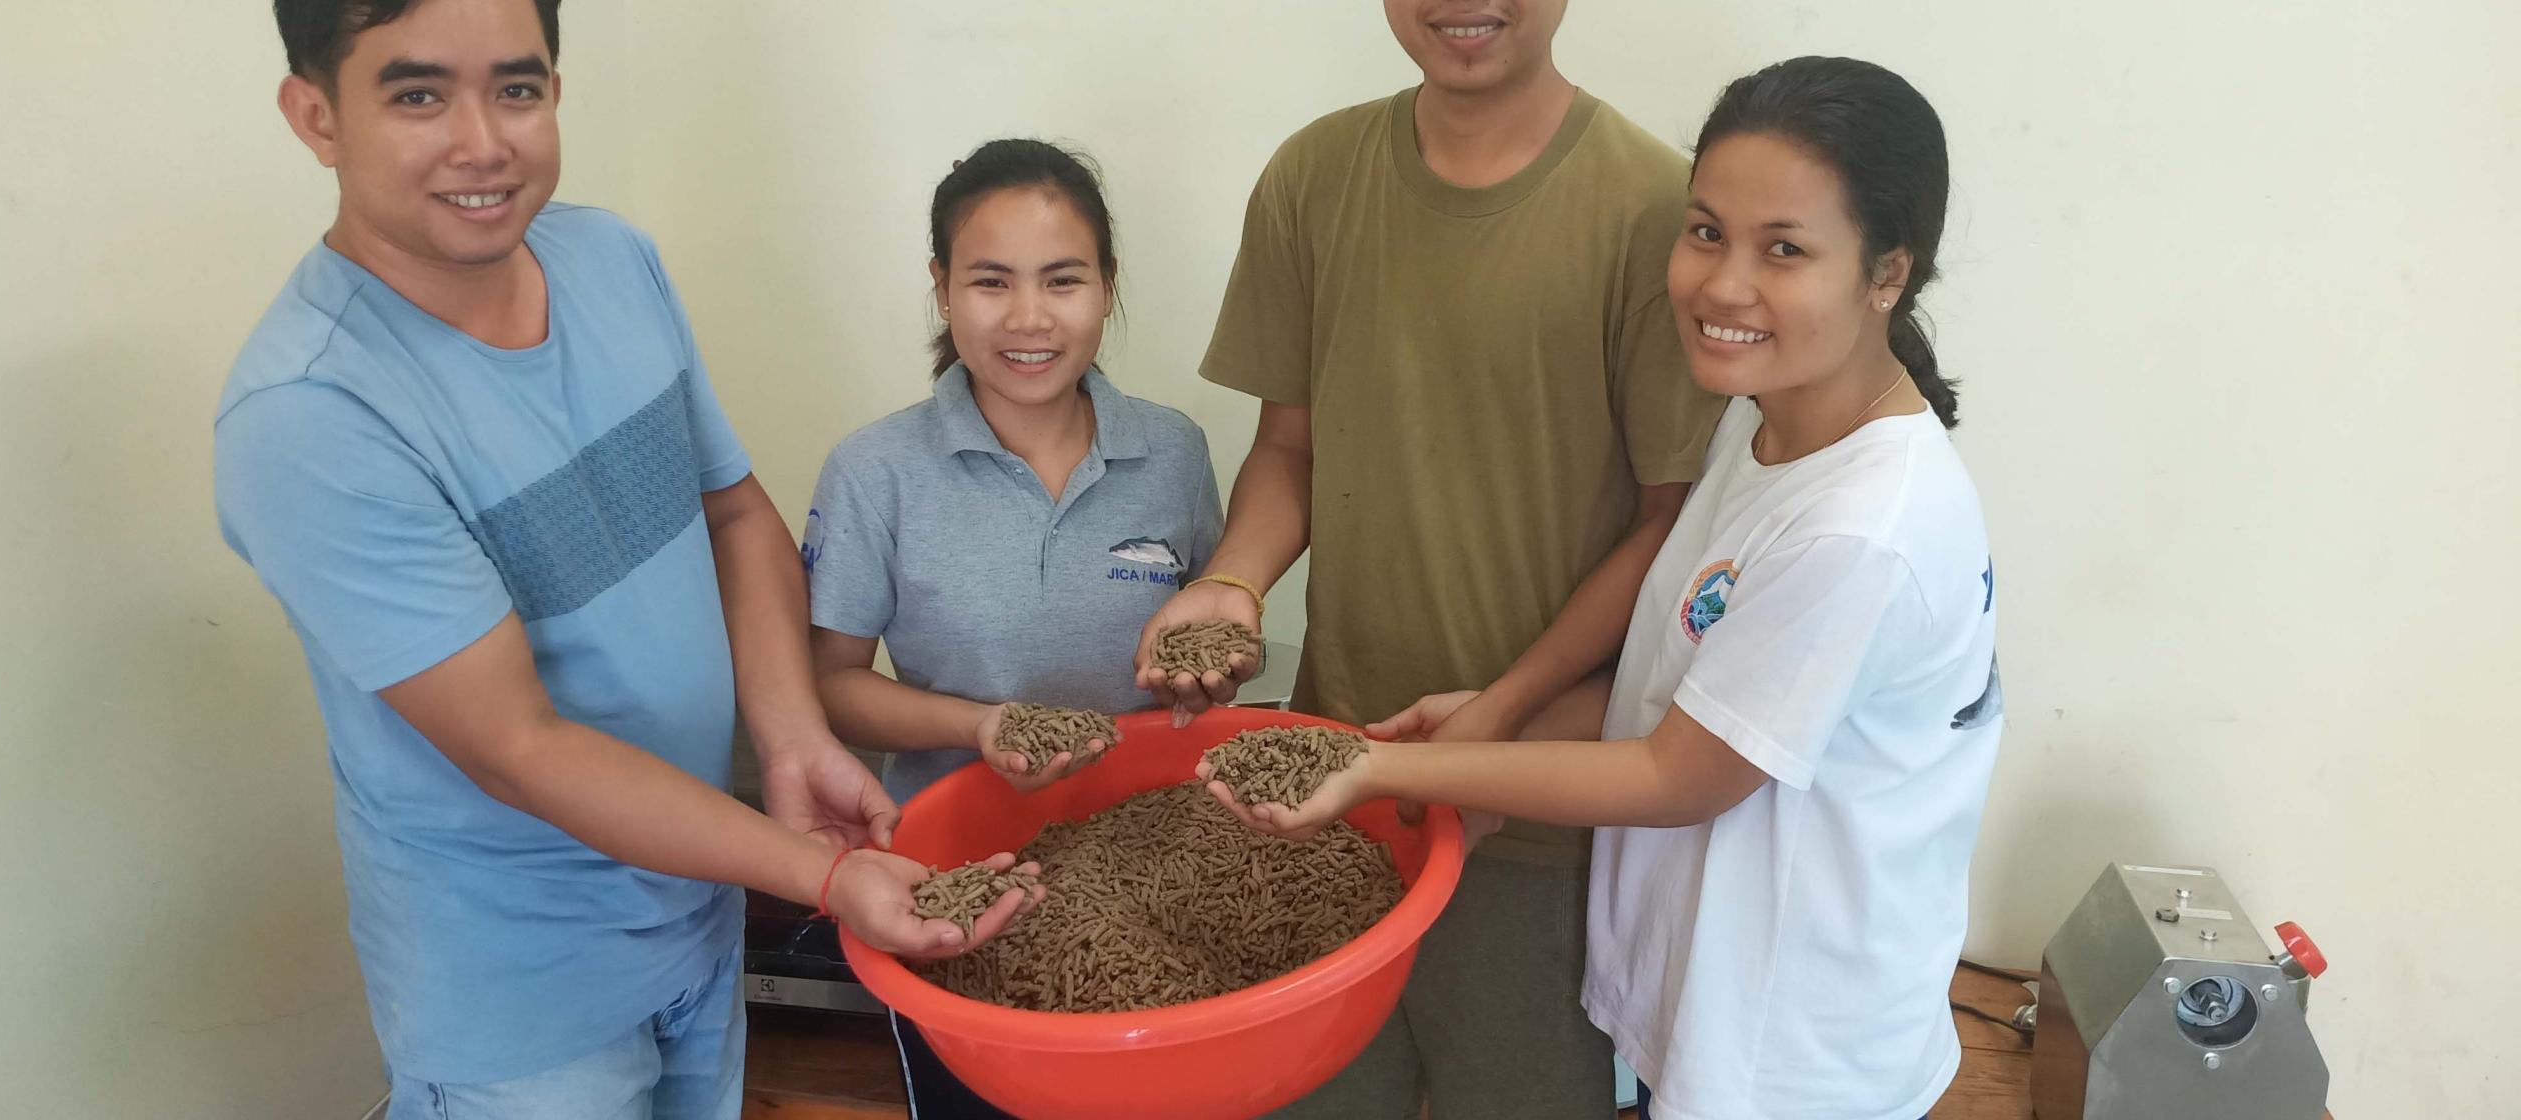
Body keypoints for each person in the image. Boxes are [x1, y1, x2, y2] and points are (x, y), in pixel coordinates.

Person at [213, 3, 1029, 1116]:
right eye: (417, 95)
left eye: (517, 87)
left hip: (698, 894)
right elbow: (521, 748)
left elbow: (735, 514)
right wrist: (827, 877)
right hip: (521, 989)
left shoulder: (610, 259)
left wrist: (790, 735)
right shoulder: (311, 415)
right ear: (315, 115)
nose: (483, 141)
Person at [1206, 55, 1997, 1120]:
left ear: (1886, 273)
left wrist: (1393, 763)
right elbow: (1676, 695)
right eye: (1707, 230)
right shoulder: (1759, 433)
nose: (1723, 284)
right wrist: (1483, 736)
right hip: (1716, 1007)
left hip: (1796, 1051)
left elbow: (1681, 773)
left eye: (1785, 250)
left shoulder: (1863, 529)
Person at [1133, 2, 1726, 1115]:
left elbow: (1668, 526)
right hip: (1326, 782)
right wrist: (1232, 580)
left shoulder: (1657, 210)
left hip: (1538, 816)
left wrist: (1495, 715)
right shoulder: (1313, 176)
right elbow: (1289, 446)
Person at [803, 139, 1223, 1117]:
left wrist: (1204, 673)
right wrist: (981, 727)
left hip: (1153, 867)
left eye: (1063, 280)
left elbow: (1200, 635)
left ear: (1107, 289)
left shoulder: (1173, 451)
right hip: (955, 876)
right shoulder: (875, 470)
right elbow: (830, 684)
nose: (1029, 318)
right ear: (942, 288)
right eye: (990, 281)